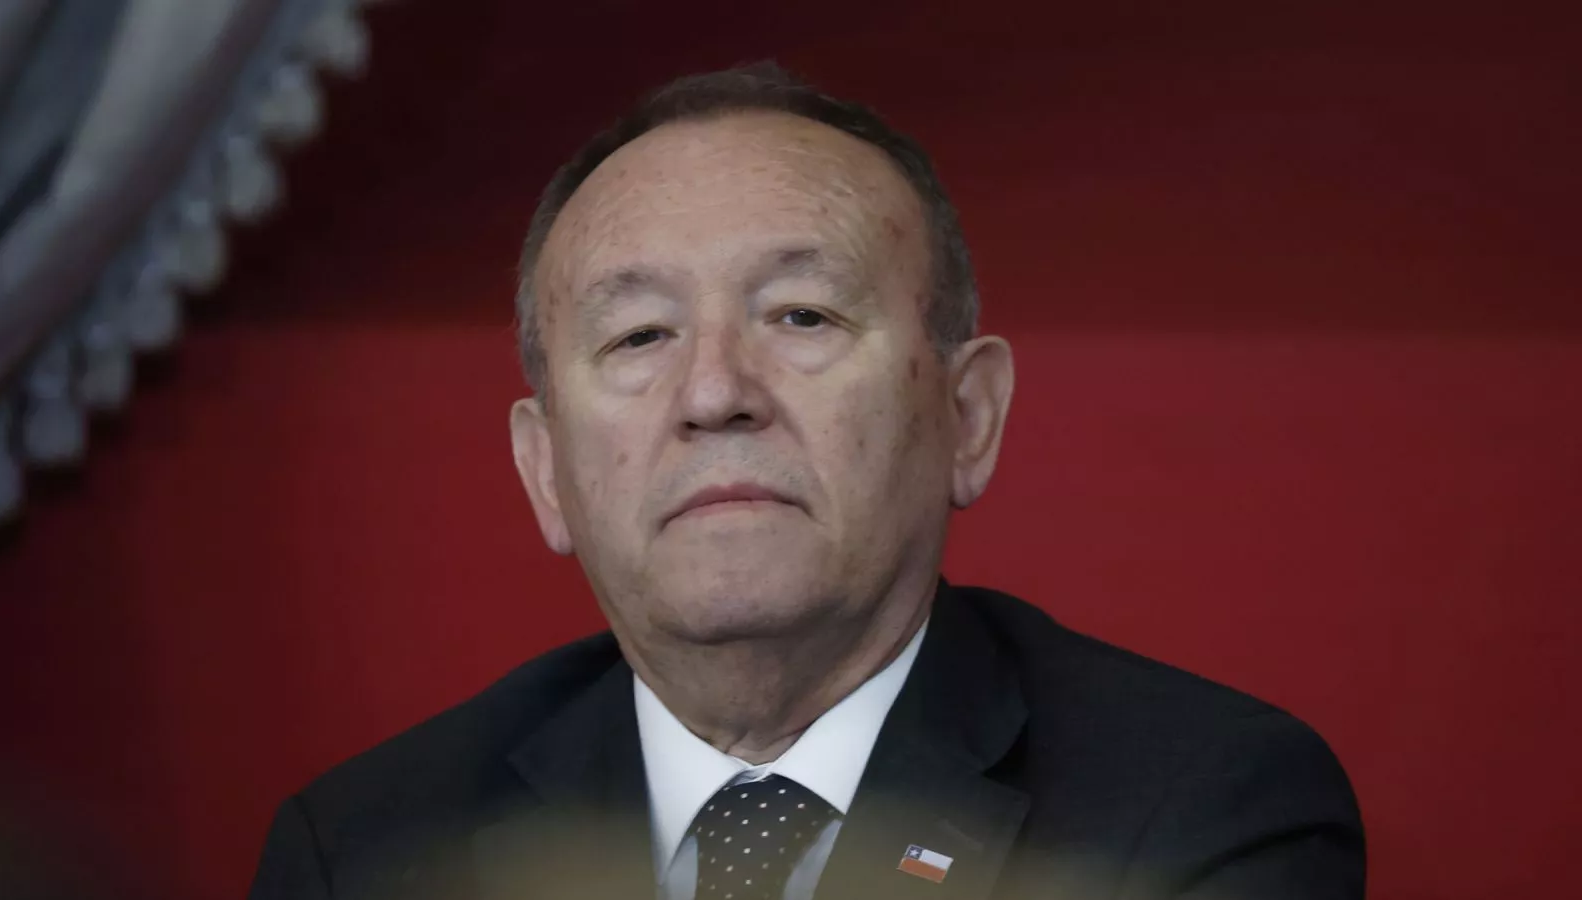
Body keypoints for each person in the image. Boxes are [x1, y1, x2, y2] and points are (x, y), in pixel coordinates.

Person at [248, 63, 1364, 900]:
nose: (714, 392)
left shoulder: (1193, 812)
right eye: (639, 336)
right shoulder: (366, 853)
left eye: (802, 315)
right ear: (543, 469)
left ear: (968, 416)